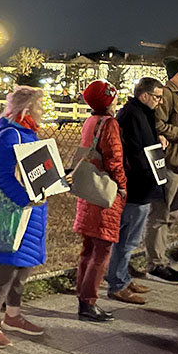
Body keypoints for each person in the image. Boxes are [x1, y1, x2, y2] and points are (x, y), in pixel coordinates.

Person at [0, 87, 49, 347]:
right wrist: (24, 199)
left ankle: (13, 315)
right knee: (6, 268)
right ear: (27, 109)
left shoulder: (28, 134)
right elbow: (2, 175)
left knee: (23, 266)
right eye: (41, 107)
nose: (44, 112)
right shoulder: (12, 135)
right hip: (14, 212)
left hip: (31, 211)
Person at [107, 77, 164, 305]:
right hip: (137, 185)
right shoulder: (132, 115)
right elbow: (133, 152)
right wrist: (147, 175)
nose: (160, 102)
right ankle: (117, 283)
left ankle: (123, 277)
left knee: (131, 236)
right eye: (157, 97)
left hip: (143, 183)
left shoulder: (141, 113)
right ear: (145, 96)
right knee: (127, 238)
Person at [73, 80, 125, 323]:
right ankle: (89, 302)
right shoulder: (110, 124)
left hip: (88, 191)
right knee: (102, 250)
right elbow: (114, 158)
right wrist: (122, 185)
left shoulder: (90, 121)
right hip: (103, 191)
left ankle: (82, 294)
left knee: (88, 247)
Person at [145, 57, 178, 285]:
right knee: (160, 215)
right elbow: (158, 125)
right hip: (169, 164)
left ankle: (161, 259)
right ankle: (155, 265)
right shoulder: (166, 95)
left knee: (170, 216)